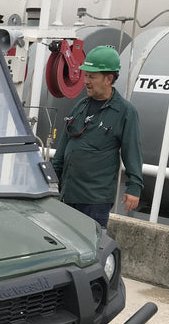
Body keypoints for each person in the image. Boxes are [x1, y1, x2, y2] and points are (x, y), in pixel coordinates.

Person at [51, 45, 144, 230]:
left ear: (109, 79)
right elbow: (64, 145)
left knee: (92, 244)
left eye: (92, 77)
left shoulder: (125, 112)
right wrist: (52, 177)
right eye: (85, 75)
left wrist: (134, 187)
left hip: (95, 200)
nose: (86, 81)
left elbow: (132, 151)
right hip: (68, 193)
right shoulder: (80, 106)